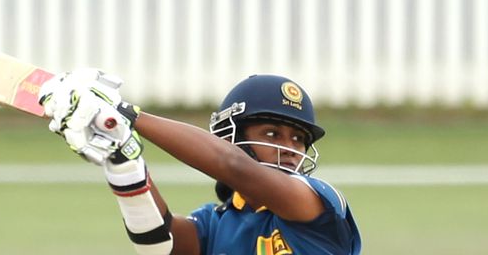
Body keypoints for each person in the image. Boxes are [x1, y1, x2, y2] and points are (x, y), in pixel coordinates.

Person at [38, 70, 361, 255]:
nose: (290, 148)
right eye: (273, 133)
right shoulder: (214, 223)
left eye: (298, 138)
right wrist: (123, 163)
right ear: (228, 137)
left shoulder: (319, 203)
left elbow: (234, 167)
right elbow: (160, 244)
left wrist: (126, 113)